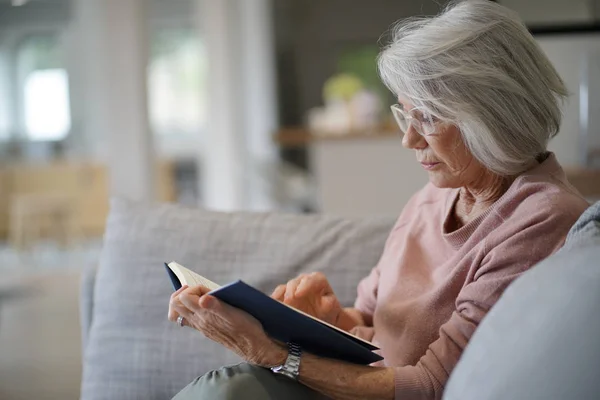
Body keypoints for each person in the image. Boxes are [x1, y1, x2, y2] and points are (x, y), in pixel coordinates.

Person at [167, 1, 590, 399]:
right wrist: (332, 319)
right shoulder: (432, 198)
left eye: (425, 117)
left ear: (492, 116)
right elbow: (370, 324)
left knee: (228, 390)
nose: (408, 138)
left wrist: (271, 353)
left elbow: (429, 385)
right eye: (405, 115)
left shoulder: (542, 218)